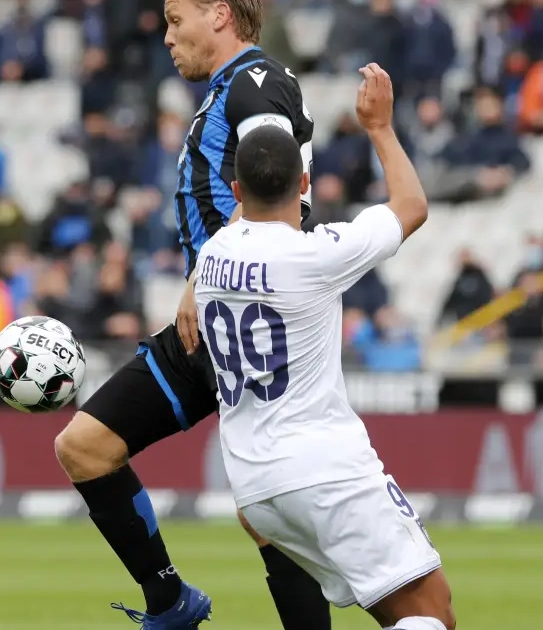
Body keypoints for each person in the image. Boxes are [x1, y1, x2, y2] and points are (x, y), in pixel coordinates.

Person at [52, 1, 328, 629]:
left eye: (177, 20)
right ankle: (169, 602)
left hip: (253, 323)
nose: (168, 36)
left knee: (268, 512)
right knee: (86, 447)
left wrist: (206, 272)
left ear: (220, 14)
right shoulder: (227, 91)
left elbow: (277, 181)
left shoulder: (257, 81)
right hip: (210, 326)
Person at [194, 65, 454, 630]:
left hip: (255, 488)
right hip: (324, 469)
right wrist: (379, 127)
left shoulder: (211, 257)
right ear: (305, 184)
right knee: (434, 613)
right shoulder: (316, 255)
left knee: (396, 612)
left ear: (235, 191)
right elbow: (411, 205)